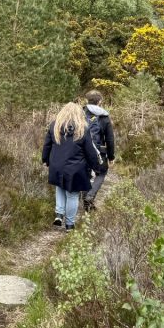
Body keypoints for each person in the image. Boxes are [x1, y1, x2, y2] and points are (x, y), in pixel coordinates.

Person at [42, 102, 101, 231]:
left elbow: (47, 146)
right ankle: (69, 224)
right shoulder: (82, 129)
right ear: (78, 114)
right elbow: (90, 152)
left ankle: (59, 215)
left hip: (57, 165)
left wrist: (45, 160)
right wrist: (96, 168)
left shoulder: (54, 126)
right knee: (72, 195)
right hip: (76, 168)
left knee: (60, 188)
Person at [82, 89, 115, 211]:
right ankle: (90, 197)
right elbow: (110, 139)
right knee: (101, 173)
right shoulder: (104, 116)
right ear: (100, 101)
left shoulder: (81, 113)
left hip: (82, 149)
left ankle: (87, 201)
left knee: (85, 174)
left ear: (87, 100)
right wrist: (111, 156)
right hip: (99, 151)